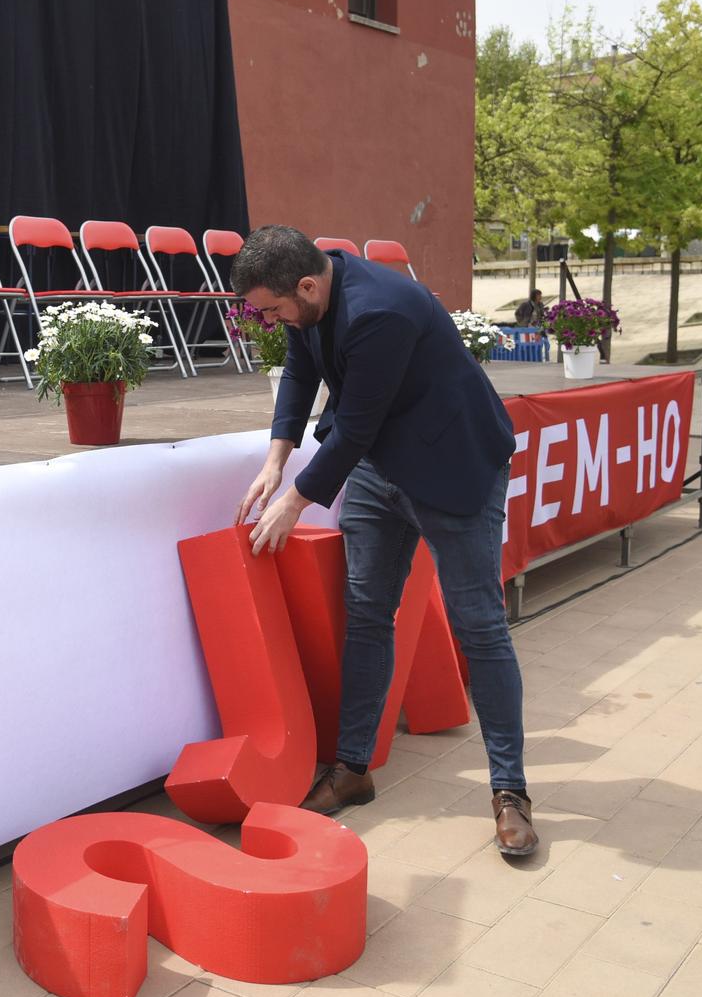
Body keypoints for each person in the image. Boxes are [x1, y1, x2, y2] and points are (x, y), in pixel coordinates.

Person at [230, 226, 536, 856]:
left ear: (307, 286)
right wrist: (274, 459)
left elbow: (356, 426)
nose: (268, 319)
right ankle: (352, 769)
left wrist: (294, 500)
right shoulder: (310, 286)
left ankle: (510, 792)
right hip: (379, 465)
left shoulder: (381, 312)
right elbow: (298, 370)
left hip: (453, 466)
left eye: (272, 308)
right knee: (368, 613)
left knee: (478, 624)